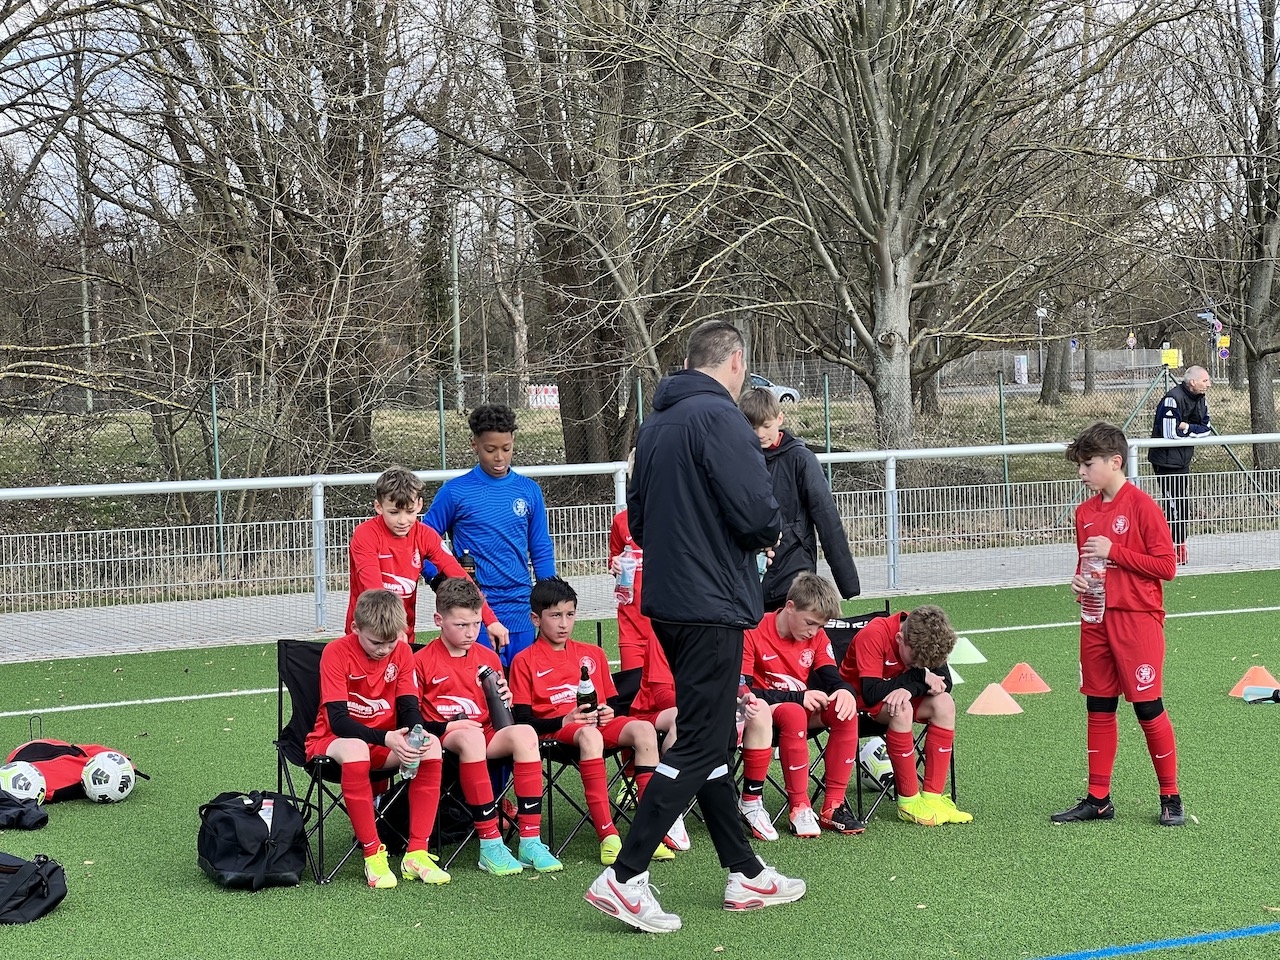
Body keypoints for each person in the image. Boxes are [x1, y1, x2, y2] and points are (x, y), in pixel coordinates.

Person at [586, 320, 802, 935]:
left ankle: (744, 869)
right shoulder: (720, 417)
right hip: (713, 603)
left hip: (670, 603)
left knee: (706, 735)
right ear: (736, 362)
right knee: (703, 742)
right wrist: (765, 535)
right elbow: (757, 512)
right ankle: (625, 875)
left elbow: (639, 520)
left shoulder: (655, 424)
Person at [1053, 421, 1183, 827]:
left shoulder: (1143, 506)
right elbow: (1088, 566)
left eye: (1087, 464)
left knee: (1147, 706)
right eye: (1079, 465)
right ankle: (1098, 799)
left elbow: (1167, 567)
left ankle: (1171, 796)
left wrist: (1116, 551)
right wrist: (1079, 583)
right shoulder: (1084, 513)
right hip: (1095, 620)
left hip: (1137, 621)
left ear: (1115, 461)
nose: (1081, 472)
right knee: (1098, 704)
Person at [508, 577, 673, 867]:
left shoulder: (593, 654)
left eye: (570, 614)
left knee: (644, 729)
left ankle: (648, 834)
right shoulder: (524, 660)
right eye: (555, 616)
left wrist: (609, 712)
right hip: (557, 733)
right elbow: (521, 721)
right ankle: (608, 836)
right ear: (536, 618)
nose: (564, 624)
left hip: (597, 726)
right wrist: (564, 719)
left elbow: (614, 704)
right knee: (590, 735)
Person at [412, 577, 561, 875]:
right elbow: (411, 722)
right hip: (445, 736)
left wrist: (506, 701)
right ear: (439, 620)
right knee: (470, 737)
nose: (471, 633)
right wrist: (446, 727)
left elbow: (500, 718)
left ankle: (530, 841)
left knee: (525, 733)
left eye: (476, 624)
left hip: (485, 732)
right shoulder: (421, 661)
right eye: (461, 625)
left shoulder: (488, 657)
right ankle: (490, 844)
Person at [304, 589, 448, 888]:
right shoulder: (335, 652)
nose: (384, 650)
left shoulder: (403, 652)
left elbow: (409, 707)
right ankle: (372, 854)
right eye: (376, 642)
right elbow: (338, 722)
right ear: (355, 628)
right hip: (333, 741)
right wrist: (387, 738)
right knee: (356, 748)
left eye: (391, 641)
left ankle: (416, 853)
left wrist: (414, 735)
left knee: (430, 745)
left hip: (385, 741)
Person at [422, 404, 555, 666]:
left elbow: (540, 547)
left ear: (513, 440)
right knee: (481, 684)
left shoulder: (529, 491)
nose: (499, 457)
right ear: (474, 444)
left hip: (520, 607)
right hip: (474, 610)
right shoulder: (455, 492)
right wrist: (439, 581)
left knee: (521, 684)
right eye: (490, 449)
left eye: (506, 448)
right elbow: (423, 541)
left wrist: (550, 598)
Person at [741, 573, 865, 837]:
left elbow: (833, 679)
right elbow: (743, 691)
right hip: (760, 715)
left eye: (820, 626)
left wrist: (845, 691)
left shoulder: (817, 637)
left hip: (799, 709)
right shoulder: (753, 629)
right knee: (794, 711)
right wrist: (798, 698)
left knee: (845, 712)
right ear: (790, 607)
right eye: (810, 623)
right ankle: (799, 806)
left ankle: (834, 806)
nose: (814, 632)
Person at [838, 603, 970, 826]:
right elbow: (871, 693)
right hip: (858, 703)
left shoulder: (930, 637)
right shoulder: (874, 634)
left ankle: (932, 798)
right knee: (902, 708)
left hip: (897, 695)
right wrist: (919, 677)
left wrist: (909, 689)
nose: (918, 666)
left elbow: (944, 683)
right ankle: (908, 802)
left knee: (944, 703)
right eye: (914, 663)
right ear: (899, 639)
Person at [347, 466, 508, 649]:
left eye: (409, 512)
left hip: (404, 634)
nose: (402, 520)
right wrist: (393, 628)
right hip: (366, 634)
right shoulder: (365, 534)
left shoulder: (425, 535)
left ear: (419, 505)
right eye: (394, 512)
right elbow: (374, 590)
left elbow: (461, 577)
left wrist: (491, 620)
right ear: (379, 507)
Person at [739, 387, 861, 611]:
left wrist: (848, 583)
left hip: (793, 571)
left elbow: (827, 517)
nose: (759, 434)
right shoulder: (738, 460)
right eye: (752, 427)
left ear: (779, 419)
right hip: (749, 574)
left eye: (766, 425)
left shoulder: (801, 459)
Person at [1148, 365, 1211, 565]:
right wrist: (1192, 431)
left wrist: (1186, 426)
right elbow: (1170, 434)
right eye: (1205, 380)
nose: (1209, 384)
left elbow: (1206, 429)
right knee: (1174, 505)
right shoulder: (1172, 399)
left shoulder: (1201, 399)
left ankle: (1179, 545)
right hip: (1165, 461)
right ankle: (1172, 548)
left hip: (1183, 460)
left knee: (1182, 504)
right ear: (1192, 382)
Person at [608, 451, 655, 672]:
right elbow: (613, 558)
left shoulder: (675, 520)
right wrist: (615, 564)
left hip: (665, 627)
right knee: (632, 687)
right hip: (632, 628)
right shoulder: (621, 521)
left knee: (666, 689)